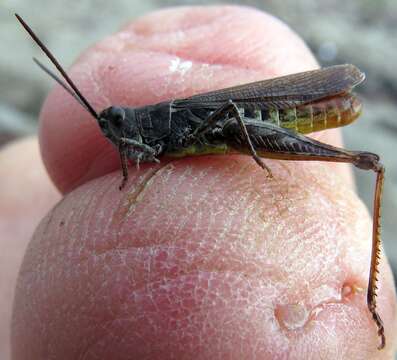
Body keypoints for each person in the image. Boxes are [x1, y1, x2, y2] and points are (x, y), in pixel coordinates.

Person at [2, 6, 396, 359]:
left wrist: (257, 160)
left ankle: (372, 302)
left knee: (368, 165)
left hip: (247, 123)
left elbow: (225, 111)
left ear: (133, 119)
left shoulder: (163, 119)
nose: (115, 136)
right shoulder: (138, 137)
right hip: (232, 130)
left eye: (117, 123)